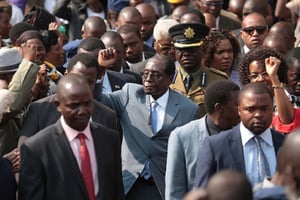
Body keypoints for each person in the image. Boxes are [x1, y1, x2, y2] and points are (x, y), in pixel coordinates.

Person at [98, 53, 199, 200]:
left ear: (171, 78)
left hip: (162, 186)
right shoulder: (130, 93)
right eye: (145, 74)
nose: (148, 79)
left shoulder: (188, 109)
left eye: (156, 74)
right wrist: (100, 71)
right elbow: (98, 100)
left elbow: (190, 155)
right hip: (129, 183)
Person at [18, 74, 124, 200]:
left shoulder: (109, 139)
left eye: (87, 103)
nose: (82, 111)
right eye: (74, 106)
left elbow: (116, 190)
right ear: (58, 105)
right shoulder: (37, 148)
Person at [18, 53, 120, 148]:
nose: (82, 85)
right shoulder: (39, 109)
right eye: (77, 78)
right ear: (66, 74)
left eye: (90, 82)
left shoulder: (108, 116)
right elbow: (25, 150)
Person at [194, 82, 285, 187]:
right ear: (239, 110)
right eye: (250, 109)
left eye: (264, 109)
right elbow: (201, 191)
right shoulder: (216, 146)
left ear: (272, 110)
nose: (258, 115)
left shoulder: (285, 144)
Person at [165, 80, 240, 200]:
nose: (242, 109)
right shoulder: (182, 136)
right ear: (219, 108)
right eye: (237, 104)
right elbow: (175, 190)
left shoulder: (243, 134)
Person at [169, 23, 227, 117]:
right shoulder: (165, 79)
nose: (186, 54)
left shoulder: (219, 81)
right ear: (174, 50)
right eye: (181, 50)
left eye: (192, 49)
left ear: (202, 49)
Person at [238, 46, 297, 133]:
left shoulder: (288, 97)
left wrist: (273, 76)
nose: (260, 79)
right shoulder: (245, 101)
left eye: (265, 74)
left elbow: (287, 120)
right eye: (254, 76)